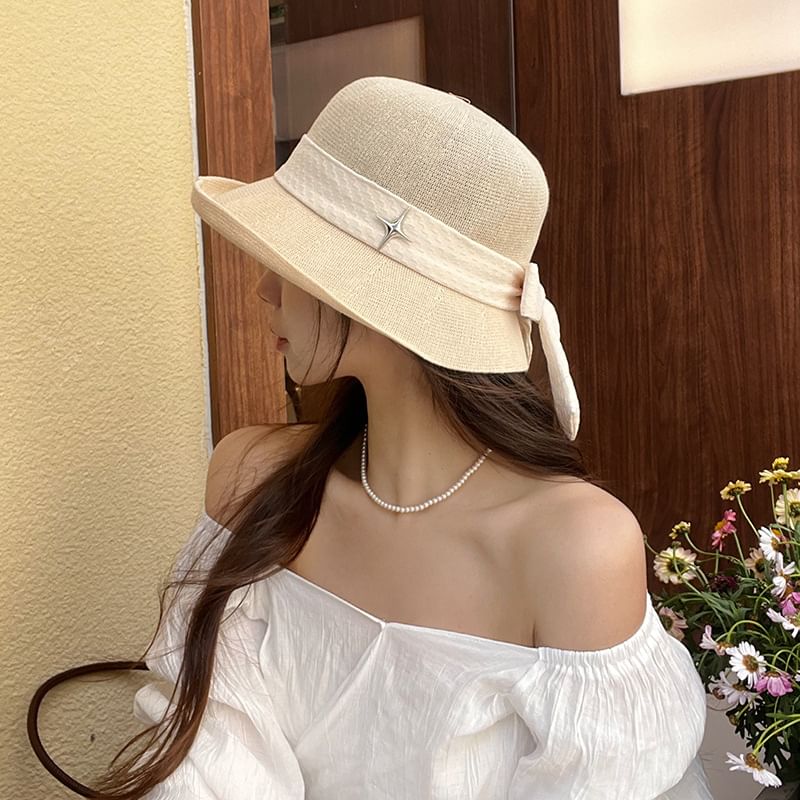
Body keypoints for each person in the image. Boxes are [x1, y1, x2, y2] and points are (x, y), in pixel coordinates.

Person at [91, 76, 714, 799]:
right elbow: (209, 762)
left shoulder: (575, 546)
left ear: (379, 298)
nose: (264, 290)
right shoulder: (252, 477)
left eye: (294, 260)